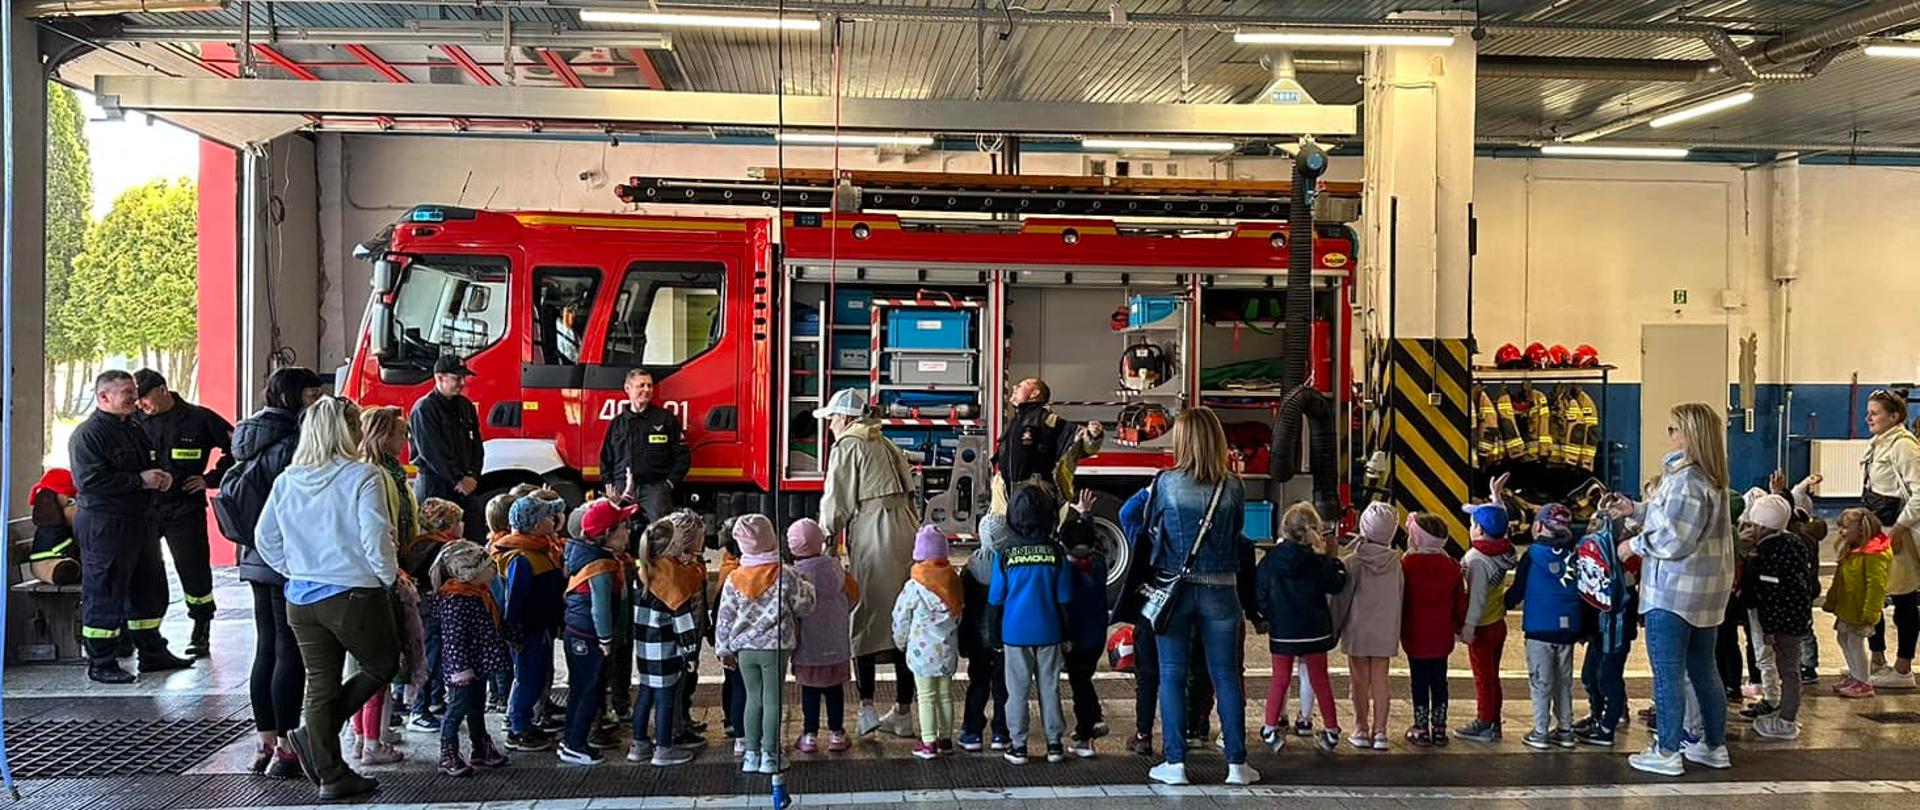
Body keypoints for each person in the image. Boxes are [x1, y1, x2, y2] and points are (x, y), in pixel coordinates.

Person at [254, 395, 399, 801]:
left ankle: (331, 773)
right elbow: (375, 534)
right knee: (383, 663)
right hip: (354, 591)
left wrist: (297, 568)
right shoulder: (363, 476)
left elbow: (265, 538)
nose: (359, 432)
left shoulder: (288, 479)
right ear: (344, 431)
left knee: (320, 685)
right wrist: (387, 577)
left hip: (300, 596)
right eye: (355, 426)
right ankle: (311, 739)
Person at [1602, 401, 1735, 777]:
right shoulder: (1711, 479)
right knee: (1704, 670)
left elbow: (1676, 538)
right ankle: (1712, 744)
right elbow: (1673, 518)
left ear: (1689, 435)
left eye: (1674, 429)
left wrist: (1634, 545)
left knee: (1668, 673)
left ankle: (1667, 750)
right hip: (1706, 596)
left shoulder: (1687, 480)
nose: (1670, 436)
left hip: (1673, 593)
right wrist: (1636, 510)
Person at [1140, 407, 1257, 787]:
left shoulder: (1166, 483)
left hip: (1174, 590)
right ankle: (1237, 764)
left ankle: (1175, 763)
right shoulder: (1234, 486)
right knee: (1225, 675)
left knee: (1172, 674)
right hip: (1222, 590)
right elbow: (1237, 535)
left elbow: (1148, 526)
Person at [223, 366, 325, 777]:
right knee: (290, 648)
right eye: (313, 393)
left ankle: (264, 740)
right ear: (297, 396)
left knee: (266, 645)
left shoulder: (247, 434)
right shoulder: (295, 440)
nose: (318, 401)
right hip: (287, 554)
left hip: (253, 552)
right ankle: (287, 747)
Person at [70, 369, 193, 684]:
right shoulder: (88, 435)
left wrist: (161, 477)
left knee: (148, 588)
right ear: (104, 397)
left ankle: (152, 651)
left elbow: (146, 465)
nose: (134, 398)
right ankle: (102, 661)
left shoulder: (134, 428)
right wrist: (139, 480)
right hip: (106, 525)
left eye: (133, 391)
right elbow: (90, 481)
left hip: (141, 522)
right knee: (105, 590)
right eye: (126, 392)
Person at [814, 388, 920, 738]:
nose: (830, 424)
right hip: (906, 529)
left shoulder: (848, 445)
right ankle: (903, 712)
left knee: (866, 615)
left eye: (832, 418)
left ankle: (867, 708)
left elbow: (837, 498)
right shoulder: (885, 442)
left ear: (845, 418)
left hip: (875, 534)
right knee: (905, 623)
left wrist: (824, 538)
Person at [131, 368, 234, 657]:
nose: (141, 405)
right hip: (146, 510)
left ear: (162, 390)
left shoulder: (199, 419)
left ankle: (201, 628)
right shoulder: (133, 422)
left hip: (184, 508)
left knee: (194, 571)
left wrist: (211, 479)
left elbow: (238, 448)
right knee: (146, 572)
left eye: (144, 398)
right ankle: (146, 636)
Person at [715, 515, 818, 776]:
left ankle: (751, 754)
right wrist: (807, 585)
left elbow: (724, 619)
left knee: (753, 699)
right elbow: (805, 606)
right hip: (775, 648)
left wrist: (724, 650)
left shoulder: (734, 578)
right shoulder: (785, 574)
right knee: (772, 700)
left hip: (744, 650)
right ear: (772, 539)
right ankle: (771, 755)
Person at [1117, 486, 1215, 758]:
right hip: (1186, 613)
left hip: (1150, 613)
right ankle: (1188, 730)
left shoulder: (1145, 538)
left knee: (1147, 676)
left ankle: (1143, 735)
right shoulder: (1192, 539)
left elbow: (1126, 513)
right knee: (1184, 673)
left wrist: (1149, 490)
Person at [988, 484, 1074, 766]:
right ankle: (1054, 744)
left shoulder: (1005, 554)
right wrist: (1066, 634)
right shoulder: (1056, 552)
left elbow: (996, 599)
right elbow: (1064, 599)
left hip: (1014, 633)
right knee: (1050, 688)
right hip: (1049, 630)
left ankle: (1019, 745)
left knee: (1017, 691)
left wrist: (994, 637)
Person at [1256, 501, 1347, 754]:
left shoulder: (1270, 560)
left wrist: (1269, 615)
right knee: (1320, 680)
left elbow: (1260, 593)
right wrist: (1332, 558)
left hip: (1283, 631)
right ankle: (1331, 730)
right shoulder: (1318, 562)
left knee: (1279, 680)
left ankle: (1270, 728)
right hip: (1315, 631)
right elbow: (1337, 584)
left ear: (1284, 530)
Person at [558, 499, 636, 766]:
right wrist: (605, 639)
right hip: (589, 636)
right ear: (605, 534)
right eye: (622, 529)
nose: (628, 533)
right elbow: (600, 607)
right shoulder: (600, 566)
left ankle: (571, 739)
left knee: (581, 688)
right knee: (588, 689)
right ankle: (575, 743)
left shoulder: (586, 553)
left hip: (579, 632)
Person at [626, 512, 706, 768]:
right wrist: (691, 653)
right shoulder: (673, 577)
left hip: (644, 649)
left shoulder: (646, 569)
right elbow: (682, 621)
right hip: (666, 650)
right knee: (666, 699)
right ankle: (663, 749)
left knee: (644, 695)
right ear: (675, 544)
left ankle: (638, 745)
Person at [1504, 503, 1584, 751]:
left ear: (1538, 526)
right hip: (1568, 628)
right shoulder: (1574, 553)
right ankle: (1566, 730)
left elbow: (1517, 590)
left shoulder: (1532, 555)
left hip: (1540, 630)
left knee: (1541, 682)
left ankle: (1540, 732)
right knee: (1563, 682)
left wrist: (1503, 604)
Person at [493, 493, 568, 751]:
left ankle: (523, 722)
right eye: (550, 516)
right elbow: (515, 599)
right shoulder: (522, 558)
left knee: (533, 675)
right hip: (529, 630)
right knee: (528, 677)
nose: (555, 519)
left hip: (540, 626)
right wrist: (513, 630)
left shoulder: (538, 548)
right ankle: (518, 728)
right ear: (536, 526)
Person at [430, 541, 512, 777]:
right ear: (469, 573)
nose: (493, 569)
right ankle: (448, 753)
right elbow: (454, 638)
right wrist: (460, 669)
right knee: (457, 708)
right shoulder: (455, 600)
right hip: (463, 668)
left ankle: (481, 746)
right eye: (488, 566)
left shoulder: (478, 593)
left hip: (479, 661)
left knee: (476, 706)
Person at [1861, 390, 1920, 690]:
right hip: (1876, 527)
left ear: (1895, 417)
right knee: (1872, 596)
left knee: (1904, 598)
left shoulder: (1904, 446)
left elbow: (1919, 493)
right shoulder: (1879, 442)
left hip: (1895, 529)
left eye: (1875, 412)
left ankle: (1903, 667)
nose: (1868, 417)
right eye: (1868, 411)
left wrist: (1898, 528)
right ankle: (1877, 659)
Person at [1745, 494, 1815, 739]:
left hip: (1781, 622)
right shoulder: (1795, 542)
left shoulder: (1767, 552)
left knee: (1788, 670)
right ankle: (1787, 711)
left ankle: (1787, 719)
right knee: (1790, 668)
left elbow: (1768, 595)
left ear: (1761, 525)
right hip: (1797, 617)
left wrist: (1768, 629)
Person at [1336, 502, 1403, 752]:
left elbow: (1341, 600)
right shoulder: (1396, 564)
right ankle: (1381, 732)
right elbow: (1400, 596)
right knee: (1381, 682)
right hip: (1385, 631)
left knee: (1359, 682)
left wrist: (1336, 627)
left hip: (1357, 630)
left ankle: (1361, 728)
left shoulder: (1353, 562)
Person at [894, 525, 965, 760]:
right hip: (946, 651)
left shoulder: (914, 586)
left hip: (921, 653)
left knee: (925, 696)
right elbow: (960, 613)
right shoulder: (953, 581)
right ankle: (945, 739)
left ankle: (928, 742)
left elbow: (900, 616)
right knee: (945, 694)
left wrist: (900, 640)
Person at [790, 518, 859, 755]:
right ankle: (837, 734)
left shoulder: (794, 574)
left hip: (807, 648)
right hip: (836, 646)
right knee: (834, 691)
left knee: (809, 691)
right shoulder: (836, 568)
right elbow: (854, 595)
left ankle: (809, 736)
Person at [989, 378, 1105, 515]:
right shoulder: (1016, 421)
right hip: (1006, 498)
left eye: (1021, 385)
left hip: (1033, 499)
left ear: (1034, 393)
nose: (1015, 387)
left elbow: (1082, 444)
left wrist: (1094, 435)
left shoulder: (1049, 421)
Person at [1456, 492, 1517, 743]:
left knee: (1483, 677)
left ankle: (1484, 723)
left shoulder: (1476, 559)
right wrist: (1497, 500)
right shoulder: (1503, 552)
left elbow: (1477, 596)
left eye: (1472, 524)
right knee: (1492, 676)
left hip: (1481, 626)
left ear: (1479, 529)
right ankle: (1493, 720)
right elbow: (1500, 526)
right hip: (1497, 623)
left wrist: (1468, 627)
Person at [1400, 511, 1465, 747]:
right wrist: (1460, 627)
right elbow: (1460, 603)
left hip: (1415, 636)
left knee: (1419, 681)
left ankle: (1420, 727)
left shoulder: (1407, 563)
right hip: (1441, 636)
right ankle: (1440, 728)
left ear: (1417, 539)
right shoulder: (1452, 566)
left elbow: (1400, 599)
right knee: (1439, 681)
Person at [1576, 511, 1638, 748]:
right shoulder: (1594, 552)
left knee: (1608, 677)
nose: (1590, 527)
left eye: (1596, 523)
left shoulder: (1624, 556)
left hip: (1616, 630)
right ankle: (1596, 715)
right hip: (1599, 630)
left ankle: (1607, 726)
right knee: (1590, 675)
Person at [406, 498, 466, 733]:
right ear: (449, 525)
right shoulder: (446, 548)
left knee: (430, 654)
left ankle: (432, 699)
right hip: (434, 610)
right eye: (459, 521)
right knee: (431, 656)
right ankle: (419, 709)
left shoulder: (417, 545)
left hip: (420, 607)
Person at [601, 369, 691, 525]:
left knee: (662, 534)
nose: (647, 389)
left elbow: (683, 456)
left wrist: (668, 484)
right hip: (622, 489)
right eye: (641, 385)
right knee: (618, 533)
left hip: (655, 489)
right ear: (628, 388)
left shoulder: (664, 419)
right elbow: (605, 458)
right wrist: (610, 485)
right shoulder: (617, 424)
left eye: (649, 385)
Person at [410, 354, 485, 541]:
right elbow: (432, 452)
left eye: (463, 378)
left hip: (466, 487)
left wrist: (473, 476)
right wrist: (458, 478)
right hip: (436, 486)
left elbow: (477, 445)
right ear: (440, 377)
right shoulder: (424, 409)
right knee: (437, 542)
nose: (462, 383)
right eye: (457, 378)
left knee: (474, 536)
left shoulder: (465, 406)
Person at [1824, 508, 1892, 699]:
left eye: (1845, 528)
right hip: (1848, 607)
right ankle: (1855, 676)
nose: (1841, 532)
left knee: (1855, 641)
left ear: (1861, 530)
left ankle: (1863, 681)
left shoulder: (1873, 555)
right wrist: (1832, 602)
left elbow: (1876, 586)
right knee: (1843, 638)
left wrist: (1870, 613)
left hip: (1859, 610)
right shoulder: (1853, 551)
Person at [959, 513, 1012, 753]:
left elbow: (963, 608)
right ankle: (1000, 732)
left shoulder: (970, 567)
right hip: (1003, 638)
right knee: (1002, 686)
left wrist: (963, 640)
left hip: (976, 640)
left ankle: (972, 732)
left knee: (977, 684)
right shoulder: (1009, 566)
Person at [1060, 510, 1110, 758]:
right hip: (1097, 636)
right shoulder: (1099, 564)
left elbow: (1066, 607)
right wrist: (1085, 518)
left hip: (1076, 639)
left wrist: (1065, 637)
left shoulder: (1067, 571)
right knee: (1084, 679)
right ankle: (1093, 721)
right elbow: (1092, 542)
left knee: (1079, 685)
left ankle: (1087, 733)